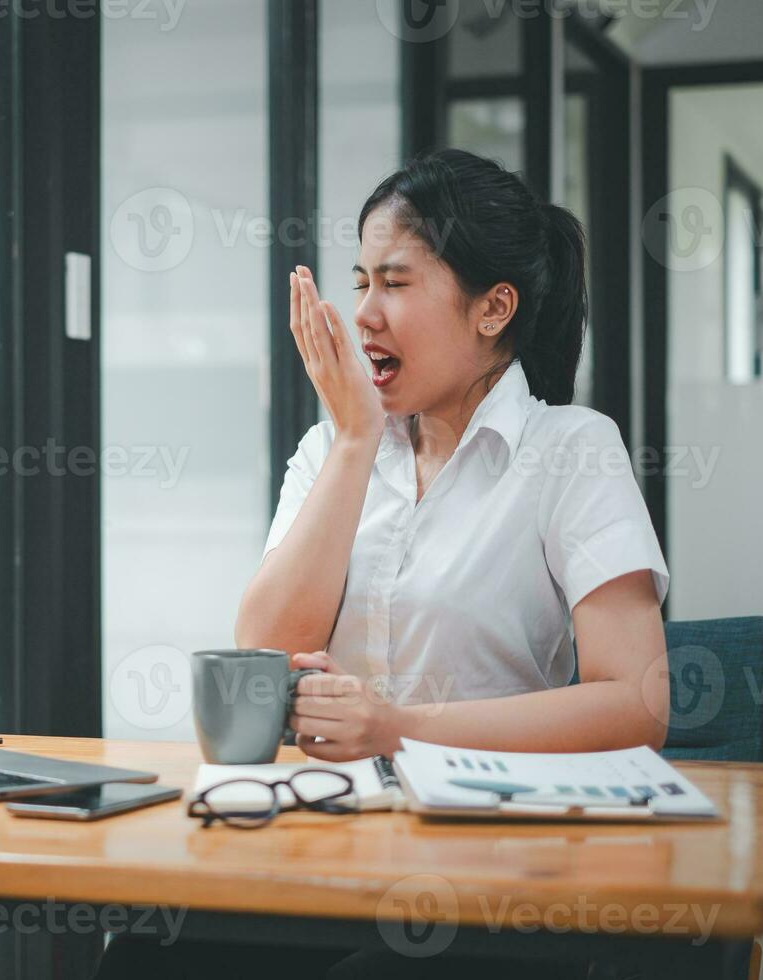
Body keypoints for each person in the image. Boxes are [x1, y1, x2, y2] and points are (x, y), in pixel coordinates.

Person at [94, 148, 668, 980]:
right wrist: (357, 442)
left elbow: (637, 706)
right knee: (147, 960)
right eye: (359, 281)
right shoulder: (332, 447)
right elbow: (265, 650)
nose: (363, 313)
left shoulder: (573, 451)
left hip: (495, 869)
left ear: (493, 308)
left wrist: (399, 727)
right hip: (330, 846)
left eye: (395, 283)